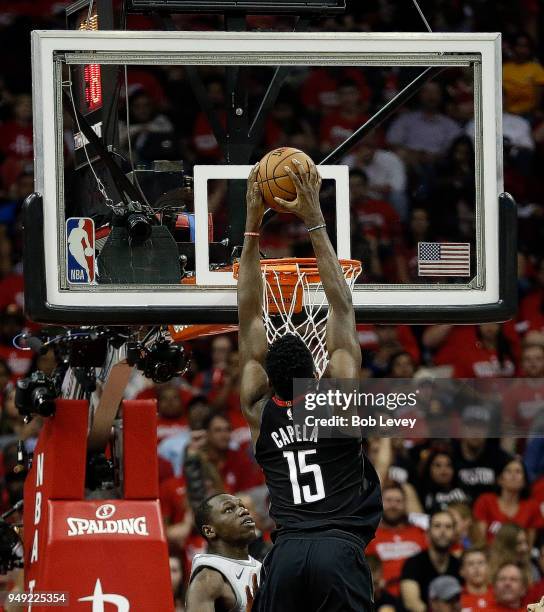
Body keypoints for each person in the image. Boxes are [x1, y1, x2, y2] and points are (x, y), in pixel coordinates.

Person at [236, 161, 381, 611]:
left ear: (266, 377)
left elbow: (249, 317)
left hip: (287, 552)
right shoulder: (337, 399)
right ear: (317, 371)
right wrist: (315, 220)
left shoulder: (259, 409)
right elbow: (341, 309)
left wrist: (251, 227)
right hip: (337, 549)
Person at [186, 494, 261, 612]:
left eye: (242, 506)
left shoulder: (263, 566)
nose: (243, 511)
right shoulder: (208, 578)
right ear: (209, 531)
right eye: (229, 509)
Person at [366, 482, 427, 596]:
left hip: (419, 592)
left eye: (398, 501)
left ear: (405, 505)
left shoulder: (419, 532)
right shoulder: (370, 536)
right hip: (382, 595)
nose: (393, 505)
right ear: (380, 503)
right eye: (388, 500)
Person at [400, 510, 461, 612]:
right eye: (437, 526)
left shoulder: (458, 564)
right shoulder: (413, 563)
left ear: (455, 534)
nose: (443, 531)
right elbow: (411, 603)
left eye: (448, 527)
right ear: (427, 533)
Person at [473, 458, 543, 543]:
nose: (513, 475)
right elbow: (480, 541)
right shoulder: (485, 501)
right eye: (508, 471)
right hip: (489, 554)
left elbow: (529, 545)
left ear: (524, 481)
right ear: (499, 480)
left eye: (518, 472)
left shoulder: (532, 507)